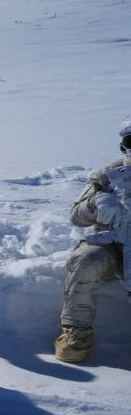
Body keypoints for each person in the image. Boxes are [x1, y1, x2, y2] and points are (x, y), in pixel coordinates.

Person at [55, 117, 131, 363]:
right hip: (112, 248)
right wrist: (95, 203)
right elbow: (76, 217)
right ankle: (76, 333)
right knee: (85, 259)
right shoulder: (107, 178)